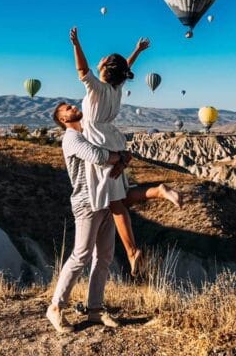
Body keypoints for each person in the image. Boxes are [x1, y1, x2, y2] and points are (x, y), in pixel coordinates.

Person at [69, 27, 181, 277]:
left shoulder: (97, 89)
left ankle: (131, 251)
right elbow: (124, 68)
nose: (99, 61)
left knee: (115, 203)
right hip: (113, 140)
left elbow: (81, 70)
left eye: (103, 60)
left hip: (99, 143)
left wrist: (76, 44)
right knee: (120, 197)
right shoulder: (116, 90)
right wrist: (137, 52)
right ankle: (157, 191)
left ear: (105, 69)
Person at [46, 101, 126, 333]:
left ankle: (95, 309)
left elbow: (113, 148)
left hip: (106, 199)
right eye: (67, 109)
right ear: (63, 119)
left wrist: (119, 155)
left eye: (72, 105)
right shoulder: (71, 138)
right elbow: (98, 156)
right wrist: (119, 156)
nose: (73, 107)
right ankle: (56, 308)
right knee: (80, 255)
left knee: (104, 256)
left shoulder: (90, 133)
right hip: (86, 203)